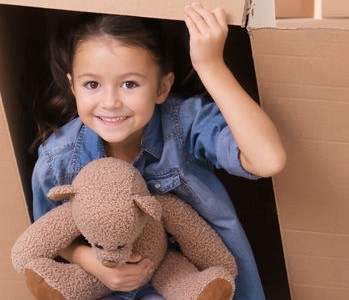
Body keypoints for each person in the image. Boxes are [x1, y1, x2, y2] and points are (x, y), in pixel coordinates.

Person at [30, 3, 286, 300]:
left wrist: (211, 65)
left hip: (189, 282)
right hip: (108, 286)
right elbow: (49, 234)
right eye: (92, 84)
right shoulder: (58, 157)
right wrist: (91, 262)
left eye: (129, 84)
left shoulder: (182, 125)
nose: (110, 101)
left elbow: (267, 160)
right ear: (72, 86)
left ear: (162, 88)